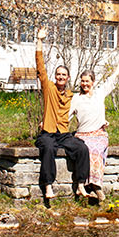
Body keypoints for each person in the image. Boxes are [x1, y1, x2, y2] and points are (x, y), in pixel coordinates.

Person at [32, 28, 90, 207]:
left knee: (82, 148)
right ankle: (48, 186)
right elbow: (40, 66)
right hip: (48, 132)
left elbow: (87, 104)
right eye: (58, 75)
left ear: (68, 78)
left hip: (63, 133)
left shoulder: (72, 95)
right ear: (55, 77)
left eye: (63, 75)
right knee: (48, 148)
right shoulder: (49, 88)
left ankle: (80, 184)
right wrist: (40, 41)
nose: (60, 77)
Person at [70, 48, 119, 206]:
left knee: (96, 151)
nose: (84, 84)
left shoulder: (99, 93)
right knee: (86, 150)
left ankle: (95, 186)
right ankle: (91, 187)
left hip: (99, 134)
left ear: (93, 82)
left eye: (87, 81)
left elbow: (113, 76)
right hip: (82, 135)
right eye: (82, 81)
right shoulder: (76, 98)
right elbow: (65, 116)